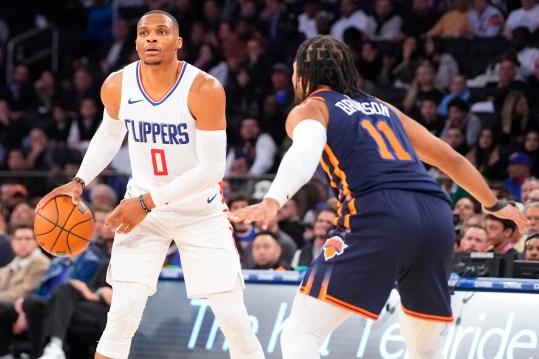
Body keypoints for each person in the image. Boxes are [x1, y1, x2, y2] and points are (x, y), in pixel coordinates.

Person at [229, 35, 528, 359]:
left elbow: (304, 152)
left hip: (379, 210)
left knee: (302, 333)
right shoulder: (382, 107)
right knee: (425, 346)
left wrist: (273, 199)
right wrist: (493, 205)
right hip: (435, 214)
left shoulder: (313, 107)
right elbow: (450, 158)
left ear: (303, 74)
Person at [36, 10, 264, 359]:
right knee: (121, 317)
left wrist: (145, 202)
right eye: (144, 33)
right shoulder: (117, 84)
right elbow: (109, 134)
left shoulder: (204, 88)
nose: (152, 38)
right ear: (137, 41)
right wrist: (80, 180)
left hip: (197, 210)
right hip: (143, 211)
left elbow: (211, 168)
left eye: (161, 32)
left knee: (233, 318)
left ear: (178, 42)